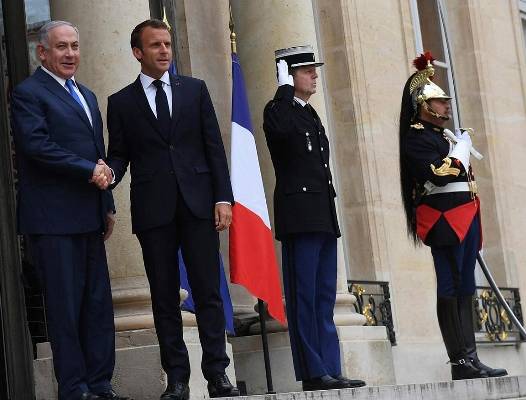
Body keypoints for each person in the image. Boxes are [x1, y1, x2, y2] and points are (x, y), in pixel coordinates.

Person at [104, 19, 239, 400]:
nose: (165, 50)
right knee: (163, 298)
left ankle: (218, 376)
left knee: (208, 292)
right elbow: (119, 156)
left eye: (167, 44)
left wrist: (223, 198)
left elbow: (214, 147)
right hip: (154, 211)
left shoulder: (194, 90)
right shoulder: (121, 102)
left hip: (198, 205)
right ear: (137, 53)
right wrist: (106, 175)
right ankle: (177, 379)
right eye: (155, 45)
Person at [10, 21, 129, 400]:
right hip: (53, 220)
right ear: (42, 53)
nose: (70, 54)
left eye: (75, 46)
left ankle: (100, 385)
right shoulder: (29, 93)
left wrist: (106, 203)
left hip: (89, 216)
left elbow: (95, 150)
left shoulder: (87, 94)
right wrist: (88, 171)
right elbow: (36, 146)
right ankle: (75, 390)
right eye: (61, 47)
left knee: (97, 307)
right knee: (65, 308)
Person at [399, 52, 508, 380]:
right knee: (450, 284)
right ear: (424, 106)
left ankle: (471, 357)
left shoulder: (440, 137)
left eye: (446, 102)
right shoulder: (417, 139)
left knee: (466, 287)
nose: (447, 106)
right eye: (441, 102)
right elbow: (438, 175)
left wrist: (456, 146)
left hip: (465, 218)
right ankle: (459, 360)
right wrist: (459, 152)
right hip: (443, 222)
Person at [262, 45, 366, 391]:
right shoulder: (279, 110)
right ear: (289, 76)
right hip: (299, 215)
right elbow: (279, 134)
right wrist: (282, 92)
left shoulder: (309, 114)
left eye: (313, 69)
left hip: (321, 213)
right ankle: (313, 370)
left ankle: (330, 367)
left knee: (323, 296)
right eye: (306, 70)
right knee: (304, 295)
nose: (314, 75)